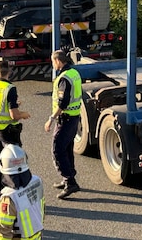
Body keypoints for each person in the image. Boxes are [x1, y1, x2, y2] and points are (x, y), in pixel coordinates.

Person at [0, 61, 30, 196]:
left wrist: (15, 103)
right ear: (9, 72)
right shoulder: (10, 88)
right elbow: (14, 115)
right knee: (14, 161)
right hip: (8, 130)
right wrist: (24, 114)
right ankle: (14, 189)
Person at [44, 50, 82, 199]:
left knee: (57, 149)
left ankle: (70, 181)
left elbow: (63, 102)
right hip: (73, 118)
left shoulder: (64, 78)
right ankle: (69, 175)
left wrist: (51, 119)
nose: (53, 64)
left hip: (65, 119)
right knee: (67, 148)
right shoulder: (74, 73)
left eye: (53, 62)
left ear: (59, 61)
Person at [0, 144, 45, 240]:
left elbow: (4, 230)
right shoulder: (37, 181)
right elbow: (42, 208)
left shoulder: (9, 197)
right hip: (37, 236)